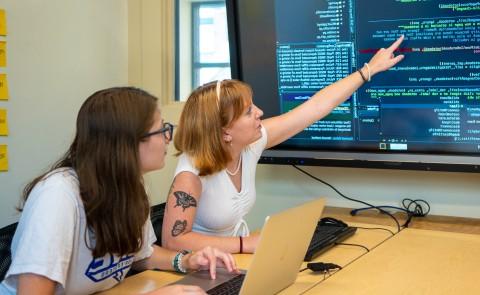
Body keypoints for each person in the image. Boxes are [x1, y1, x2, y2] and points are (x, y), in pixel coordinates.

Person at [161, 36, 406, 254]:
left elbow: (314, 108)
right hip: (200, 273)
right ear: (225, 131)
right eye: (248, 112)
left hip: (234, 261)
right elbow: (174, 242)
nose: (260, 112)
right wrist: (245, 244)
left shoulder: (249, 145)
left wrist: (368, 70)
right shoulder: (190, 174)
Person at [0, 87, 238, 295]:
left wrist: (186, 260)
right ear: (128, 143)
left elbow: (140, 254)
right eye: (161, 129)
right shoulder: (57, 196)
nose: (168, 138)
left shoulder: (129, 184)